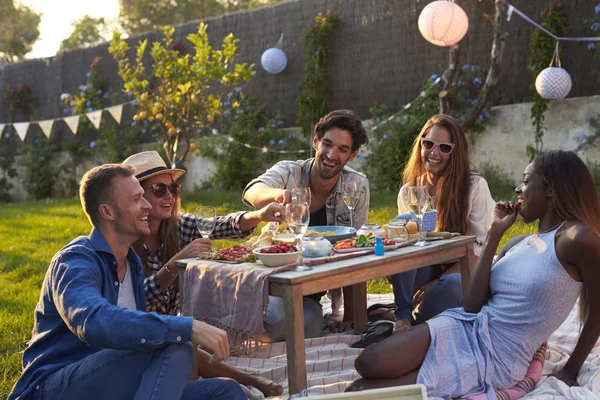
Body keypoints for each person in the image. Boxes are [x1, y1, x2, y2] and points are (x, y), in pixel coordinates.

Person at [349, 150, 600, 398]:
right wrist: (494, 234)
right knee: (367, 361)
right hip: (465, 326)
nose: (517, 189)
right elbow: (471, 306)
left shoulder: (576, 239)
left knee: (359, 391)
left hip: (496, 356)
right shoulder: (519, 243)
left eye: (525, 181)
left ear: (551, 189)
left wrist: (571, 370)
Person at [9, 164, 245, 400]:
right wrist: (187, 327)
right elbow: (92, 320)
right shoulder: (75, 260)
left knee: (225, 391)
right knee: (174, 344)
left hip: (113, 382)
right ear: (108, 212)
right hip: (54, 387)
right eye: (136, 199)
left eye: (144, 197)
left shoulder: (131, 264)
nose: (146, 205)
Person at [122, 150, 284, 397]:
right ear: (136, 196)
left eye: (173, 188)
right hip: (135, 342)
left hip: (171, 334)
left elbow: (220, 225)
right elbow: (136, 300)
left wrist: (259, 215)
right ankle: (246, 380)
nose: (169, 196)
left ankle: (245, 380)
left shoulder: (175, 227)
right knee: (185, 342)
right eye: (159, 189)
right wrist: (175, 264)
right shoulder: (123, 243)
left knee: (185, 341)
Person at [243, 109, 370, 340]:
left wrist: (351, 315)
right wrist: (279, 194)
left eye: (342, 149)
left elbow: (356, 251)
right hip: (275, 284)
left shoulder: (357, 185)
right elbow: (253, 191)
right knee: (271, 322)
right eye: (327, 144)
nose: (331, 155)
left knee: (309, 326)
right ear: (315, 142)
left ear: (352, 155)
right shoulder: (290, 171)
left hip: (310, 293)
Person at [390, 114, 495, 332]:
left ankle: (417, 326)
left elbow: (478, 252)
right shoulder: (409, 191)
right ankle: (402, 315)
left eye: (444, 148)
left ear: (455, 153)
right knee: (403, 233)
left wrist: (432, 286)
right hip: (427, 265)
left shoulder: (474, 187)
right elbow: (407, 247)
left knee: (450, 286)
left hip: (462, 270)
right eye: (428, 144)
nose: (434, 153)